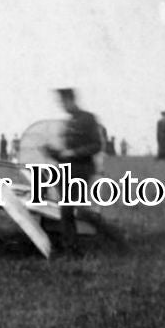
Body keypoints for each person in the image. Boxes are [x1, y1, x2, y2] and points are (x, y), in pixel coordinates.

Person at [44, 88, 126, 256]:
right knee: (70, 211)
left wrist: (74, 153)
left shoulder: (88, 119)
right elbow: (66, 152)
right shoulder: (70, 122)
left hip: (81, 170)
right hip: (67, 170)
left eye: (63, 102)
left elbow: (96, 145)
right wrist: (53, 153)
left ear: (71, 100)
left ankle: (112, 238)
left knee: (73, 211)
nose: (62, 106)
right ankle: (74, 248)